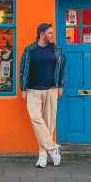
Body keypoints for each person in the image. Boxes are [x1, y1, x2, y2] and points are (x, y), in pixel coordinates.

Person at [20, 23, 67, 168]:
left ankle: (43, 156)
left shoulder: (57, 50)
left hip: (51, 90)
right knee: (35, 118)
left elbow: (63, 67)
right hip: (33, 90)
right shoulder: (29, 50)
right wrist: (23, 87)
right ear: (41, 34)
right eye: (49, 33)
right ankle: (53, 147)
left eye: (52, 33)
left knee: (49, 123)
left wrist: (60, 85)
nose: (52, 35)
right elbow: (23, 68)